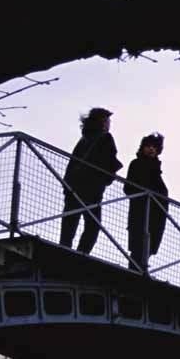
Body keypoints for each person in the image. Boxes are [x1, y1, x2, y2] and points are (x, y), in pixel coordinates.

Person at [61, 108, 121, 253]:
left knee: (70, 222)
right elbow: (109, 160)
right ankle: (82, 254)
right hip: (92, 188)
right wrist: (109, 177)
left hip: (73, 186)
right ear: (103, 122)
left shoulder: (84, 139)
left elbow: (72, 163)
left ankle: (63, 250)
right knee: (93, 225)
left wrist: (67, 185)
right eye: (108, 120)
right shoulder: (105, 137)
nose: (109, 124)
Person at [125, 132, 169, 273]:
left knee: (149, 247)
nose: (151, 149)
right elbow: (128, 188)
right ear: (143, 147)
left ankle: (140, 271)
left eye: (154, 147)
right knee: (139, 247)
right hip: (140, 213)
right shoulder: (136, 164)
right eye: (148, 146)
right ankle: (135, 273)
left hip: (156, 216)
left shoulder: (156, 170)